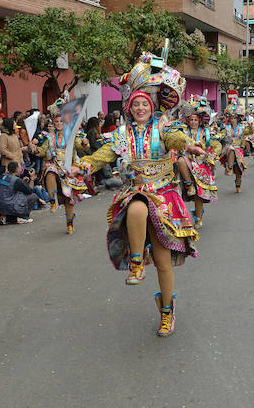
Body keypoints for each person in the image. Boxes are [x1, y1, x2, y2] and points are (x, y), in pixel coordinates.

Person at [77, 53, 205, 336]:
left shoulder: (163, 127)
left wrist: (189, 146)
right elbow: (104, 154)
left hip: (163, 195)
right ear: (128, 107)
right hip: (136, 192)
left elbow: (177, 139)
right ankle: (136, 263)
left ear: (152, 106)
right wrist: (84, 164)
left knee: (162, 262)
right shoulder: (121, 134)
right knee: (136, 206)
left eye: (144, 103)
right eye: (135, 104)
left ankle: (167, 311)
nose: (139, 108)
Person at [37, 102, 88, 234]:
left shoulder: (71, 136)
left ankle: (70, 223)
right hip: (54, 166)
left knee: (68, 199)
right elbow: (43, 151)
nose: (59, 123)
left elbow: (81, 145)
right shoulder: (49, 138)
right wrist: (35, 150)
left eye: (61, 121)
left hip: (67, 170)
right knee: (49, 170)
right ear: (53, 124)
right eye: (56, 121)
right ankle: (52, 200)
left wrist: (84, 143)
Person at [176, 95, 220, 229]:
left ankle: (198, 218)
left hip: (202, 165)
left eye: (195, 119)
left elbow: (216, 146)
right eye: (191, 120)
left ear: (200, 120)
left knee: (199, 195)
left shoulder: (206, 132)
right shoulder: (183, 132)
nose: (193, 122)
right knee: (181, 160)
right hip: (187, 162)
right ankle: (189, 185)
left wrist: (210, 155)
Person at [220, 105, 251, 193]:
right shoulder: (226, 128)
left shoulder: (243, 127)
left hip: (239, 149)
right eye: (231, 118)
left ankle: (238, 185)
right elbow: (221, 135)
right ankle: (229, 167)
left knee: (238, 170)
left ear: (237, 118)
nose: (232, 119)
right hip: (228, 148)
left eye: (234, 118)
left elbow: (251, 132)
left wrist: (251, 127)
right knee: (231, 149)